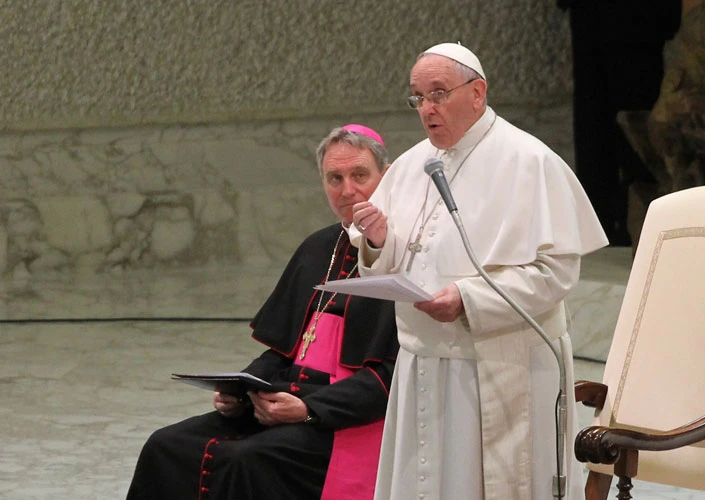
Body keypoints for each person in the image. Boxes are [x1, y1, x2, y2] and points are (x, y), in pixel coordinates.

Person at [351, 43, 608, 500]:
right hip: (422, 363)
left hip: (499, 364)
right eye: (417, 97)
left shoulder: (529, 161)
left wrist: (467, 299)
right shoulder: (411, 165)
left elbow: (556, 273)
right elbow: (399, 254)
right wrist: (377, 240)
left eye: (438, 93)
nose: (426, 109)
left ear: (477, 92)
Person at [127, 124, 399, 500]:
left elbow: (391, 375)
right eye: (334, 178)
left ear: (385, 176)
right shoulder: (317, 247)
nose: (347, 190)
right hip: (287, 398)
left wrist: (308, 409)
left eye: (359, 175)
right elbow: (282, 350)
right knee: (166, 444)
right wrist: (241, 389)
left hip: (346, 416)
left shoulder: (403, 252)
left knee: (248, 459)